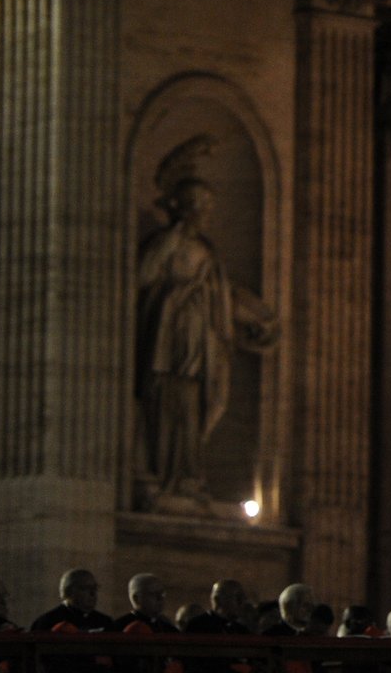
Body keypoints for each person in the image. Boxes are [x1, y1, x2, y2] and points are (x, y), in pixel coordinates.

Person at [135, 143, 280, 511]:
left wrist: (260, 318)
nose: (210, 215)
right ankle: (169, 479)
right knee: (170, 408)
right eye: (204, 208)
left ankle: (189, 478)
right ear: (188, 208)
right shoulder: (167, 244)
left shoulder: (208, 250)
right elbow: (143, 276)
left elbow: (224, 296)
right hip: (170, 344)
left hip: (201, 346)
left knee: (199, 410)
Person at [29, 569, 115, 633]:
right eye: (85, 588)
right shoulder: (47, 622)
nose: (93, 593)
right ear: (69, 591)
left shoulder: (105, 622)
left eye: (94, 588)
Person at [110, 574, 177, 634]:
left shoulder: (169, 629)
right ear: (136, 599)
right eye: (153, 594)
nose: (160, 598)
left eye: (162, 593)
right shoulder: (118, 627)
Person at [180, 580, 252, 634]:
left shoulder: (241, 631)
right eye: (238, 598)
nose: (242, 603)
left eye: (243, 598)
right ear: (218, 600)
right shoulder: (197, 627)